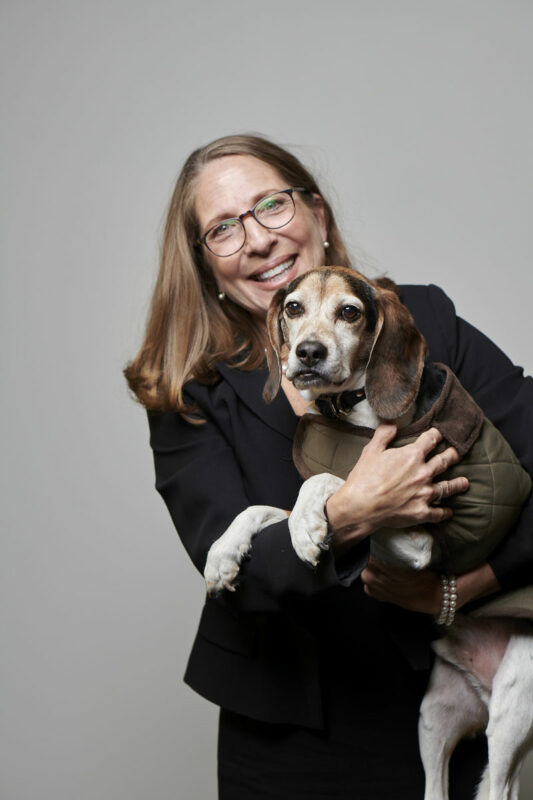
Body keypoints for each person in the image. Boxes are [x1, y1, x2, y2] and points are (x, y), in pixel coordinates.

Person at [125, 134, 533, 799]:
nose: (255, 239)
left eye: (271, 206)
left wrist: (458, 591)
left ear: (318, 215)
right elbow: (238, 578)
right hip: (287, 732)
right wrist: (352, 512)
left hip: (451, 706)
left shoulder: (422, 320)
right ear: (204, 265)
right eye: (223, 228)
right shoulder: (190, 391)